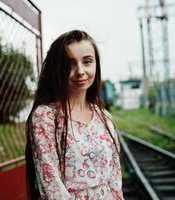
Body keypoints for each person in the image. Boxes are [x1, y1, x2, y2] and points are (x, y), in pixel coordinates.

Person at [25, 30, 124, 200]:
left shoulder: (104, 117)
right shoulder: (45, 117)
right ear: (57, 69)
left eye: (87, 61)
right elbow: (51, 186)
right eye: (70, 64)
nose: (80, 71)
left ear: (96, 65)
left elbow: (115, 178)